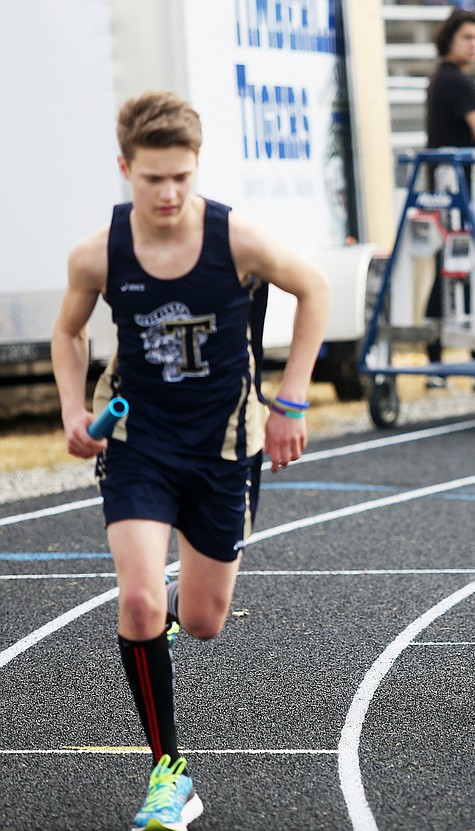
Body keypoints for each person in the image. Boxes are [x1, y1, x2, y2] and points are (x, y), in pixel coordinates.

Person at [50, 90, 330, 828]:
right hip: (139, 444)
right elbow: (69, 332)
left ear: (196, 167)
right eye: (153, 179)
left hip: (224, 448)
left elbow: (314, 289)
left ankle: (173, 618)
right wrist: (74, 408)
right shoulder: (98, 252)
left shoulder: (235, 239)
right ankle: (169, 773)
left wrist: (290, 400)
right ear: (125, 170)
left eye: (182, 176)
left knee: (202, 620)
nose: (170, 193)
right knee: (138, 601)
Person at [425, 8, 475, 385]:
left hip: (447, 186)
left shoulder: (446, 77)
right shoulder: (455, 80)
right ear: (450, 38)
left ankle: (441, 359)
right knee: (466, 266)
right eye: (468, 37)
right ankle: (471, 359)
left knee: (454, 266)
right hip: (456, 187)